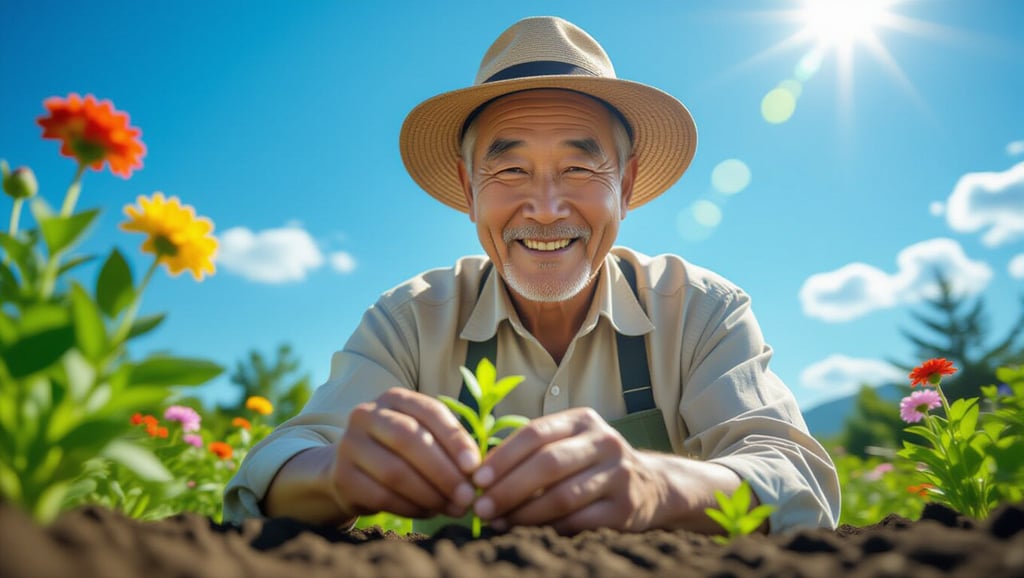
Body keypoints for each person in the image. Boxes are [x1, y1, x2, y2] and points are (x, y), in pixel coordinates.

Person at [223, 15, 840, 535]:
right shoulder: (410, 319)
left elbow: (795, 475)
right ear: (468, 191)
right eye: (510, 171)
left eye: (579, 167)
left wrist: (658, 486)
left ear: (624, 187)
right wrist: (336, 473)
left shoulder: (701, 310)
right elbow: (273, 470)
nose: (545, 209)